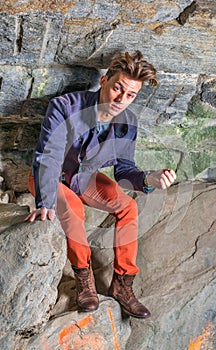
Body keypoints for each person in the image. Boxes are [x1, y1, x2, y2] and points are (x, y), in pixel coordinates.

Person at [25, 51, 176, 319]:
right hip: (50, 175)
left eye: (130, 95)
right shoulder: (65, 106)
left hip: (85, 179)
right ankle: (84, 279)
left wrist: (148, 179)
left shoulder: (128, 122)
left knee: (128, 207)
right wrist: (45, 203)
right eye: (118, 88)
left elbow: (124, 171)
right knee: (72, 209)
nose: (121, 100)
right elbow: (48, 156)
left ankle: (123, 284)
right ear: (104, 80)